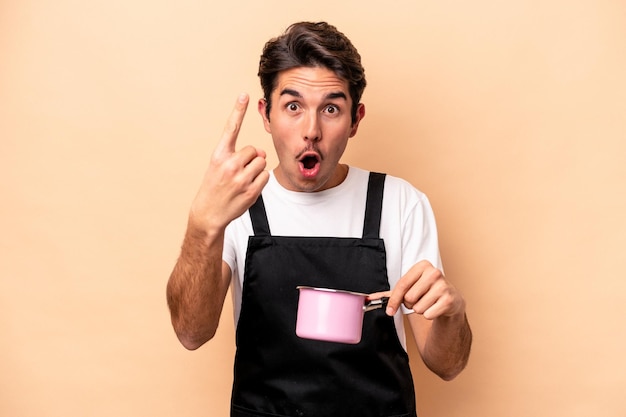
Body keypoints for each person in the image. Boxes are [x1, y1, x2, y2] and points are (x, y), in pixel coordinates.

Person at [166, 21, 472, 417]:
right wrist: (202, 226)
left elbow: (447, 365)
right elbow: (191, 333)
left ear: (356, 119)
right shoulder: (237, 204)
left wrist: (454, 312)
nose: (311, 131)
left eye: (331, 109)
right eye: (293, 106)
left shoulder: (400, 203)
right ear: (266, 114)